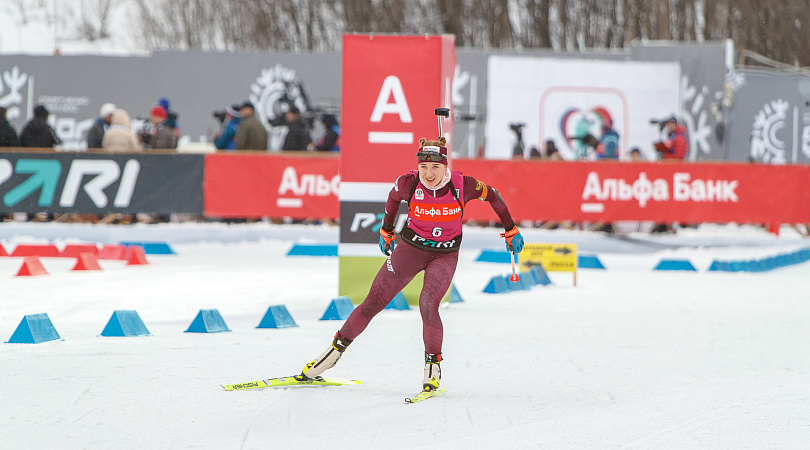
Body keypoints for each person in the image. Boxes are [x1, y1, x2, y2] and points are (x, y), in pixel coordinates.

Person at [297, 136, 525, 395]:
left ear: (445, 167)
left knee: (428, 302)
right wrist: (386, 230)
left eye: (435, 168)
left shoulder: (464, 185)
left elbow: (493, 196)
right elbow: (393, 199)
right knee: (373, 302)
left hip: (444, 255)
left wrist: (510, 229)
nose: (428, 173)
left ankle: (433, 368)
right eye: (424, 167)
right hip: (410, 250)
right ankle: (332, 354)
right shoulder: (409, 183)